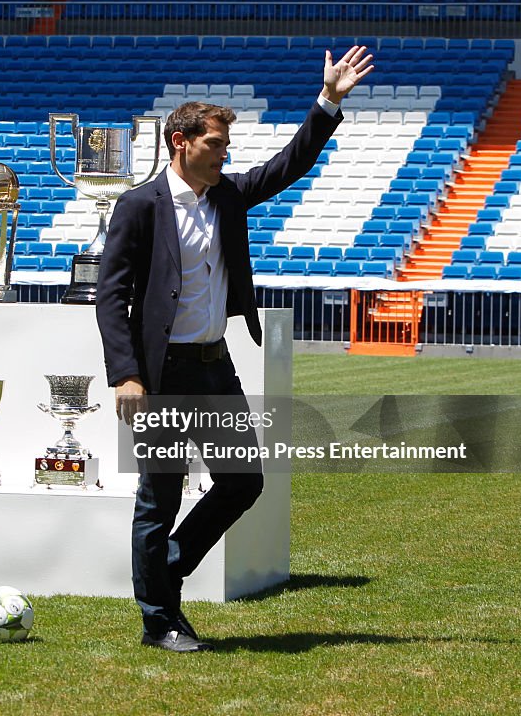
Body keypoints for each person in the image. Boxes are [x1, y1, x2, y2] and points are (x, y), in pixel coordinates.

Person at [96, 46, 374, 653]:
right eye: (216, 143)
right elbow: (110, 297)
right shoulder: (139, 206)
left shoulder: (226, 195)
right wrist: (127, 375)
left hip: (213, 363)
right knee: (160, 494)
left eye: (226, 145)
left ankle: (165, 568)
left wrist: (328, 100)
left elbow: (288, 166)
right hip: (160, 373)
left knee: (244, 479)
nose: (226, 154)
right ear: (180, 142)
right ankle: (160, 620)